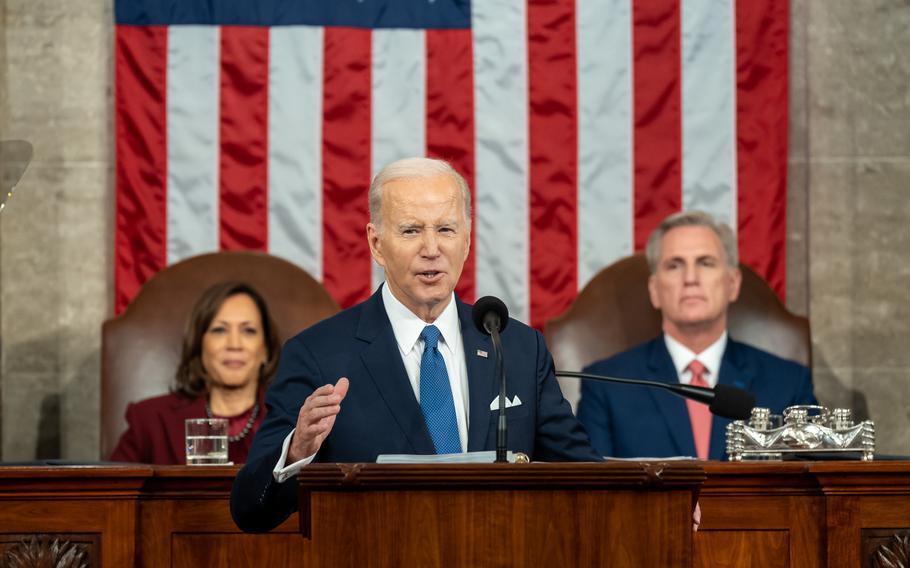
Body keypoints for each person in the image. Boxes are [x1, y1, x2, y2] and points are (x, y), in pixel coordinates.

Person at [231, 157, 600, 533]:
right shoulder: (318, 355)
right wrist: (298, 451)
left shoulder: (518, 347)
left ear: (468, 239)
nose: (431, 248)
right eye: (410, 231)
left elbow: (589, 480)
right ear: (377, 243)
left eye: (445, 229)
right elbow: (251, 511)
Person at [577, 210, 817, 460]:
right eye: (674, 265)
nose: (690, 278)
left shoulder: (788, 383)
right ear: (654, 290)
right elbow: (594, 492)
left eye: (705, 263)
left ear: (733, 284)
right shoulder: (605, 384)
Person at [109, 281, 280, 465]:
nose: (234, 344)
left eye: (248, 331)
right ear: (199, 345)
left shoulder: (291, 422)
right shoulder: (150, 420)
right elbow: (112, 490)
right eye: (219, 330)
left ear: (266, 350)